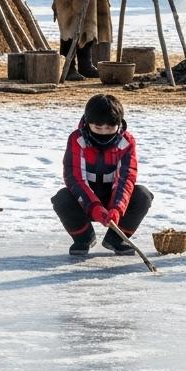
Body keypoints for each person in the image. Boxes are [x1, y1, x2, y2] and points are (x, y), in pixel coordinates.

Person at [51, 94, 155, 256]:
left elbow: (126, 177)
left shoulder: (126, 142)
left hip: (114, 200)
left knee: (143, 195)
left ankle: (117, 238)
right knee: (62, 198)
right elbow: (75, 178)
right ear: (87, 122)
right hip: (85, 200)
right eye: (98, 128)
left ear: (118, 124)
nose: (104, 132)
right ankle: (83, 237)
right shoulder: (77, 139)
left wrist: (117, 209)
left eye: (109, 128)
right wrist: (94, 206)